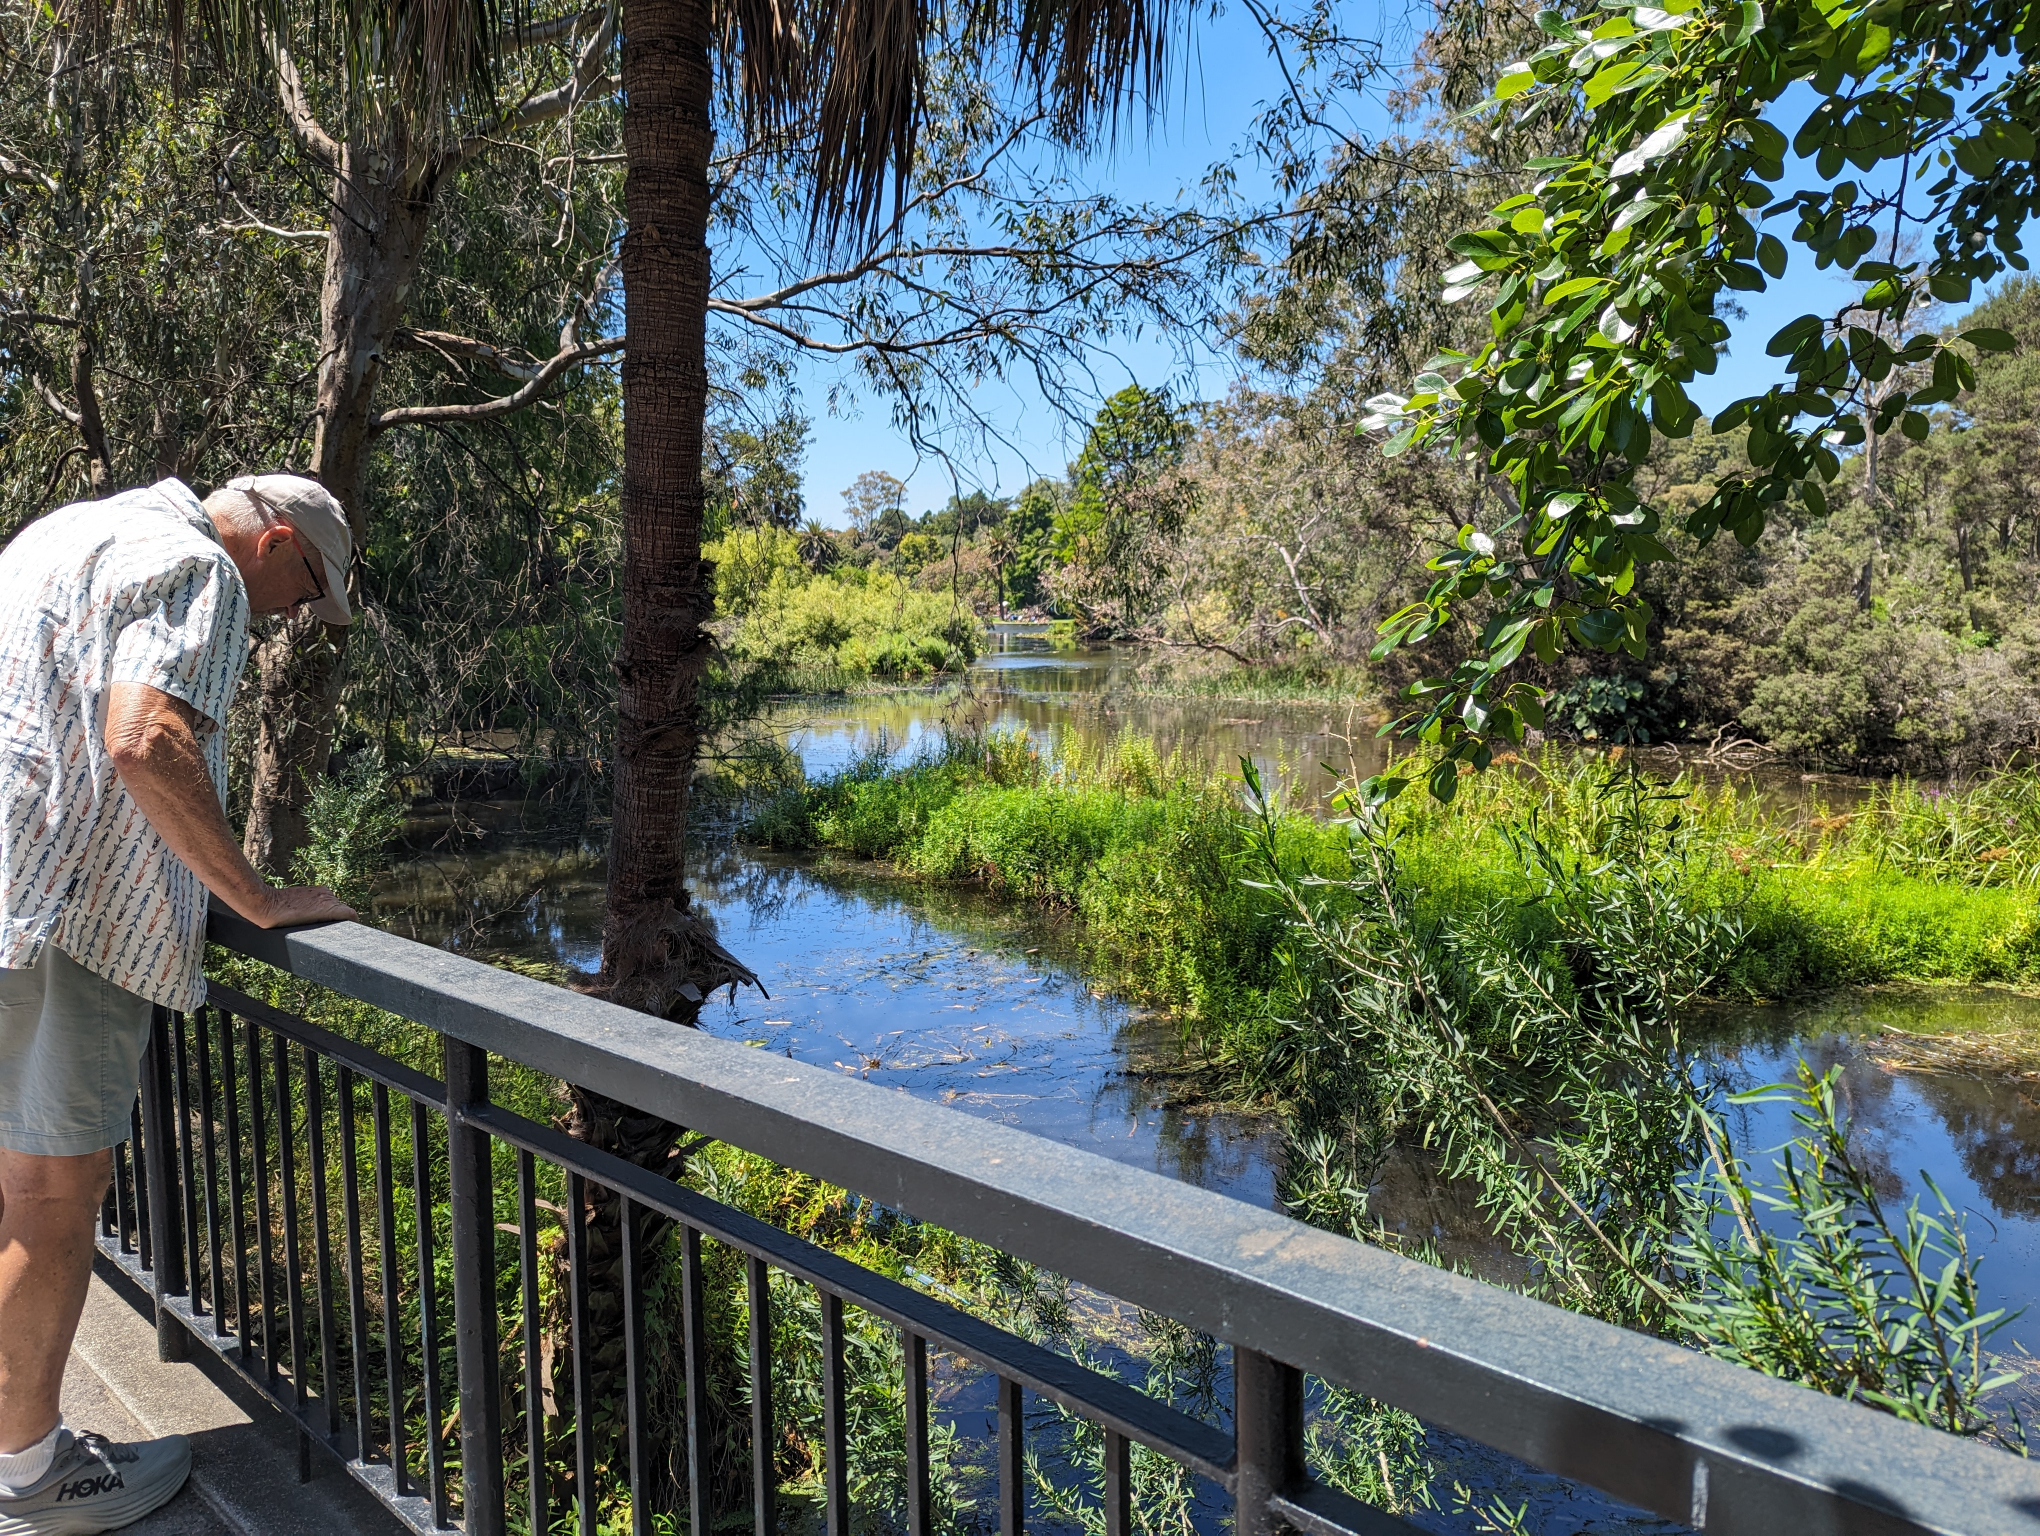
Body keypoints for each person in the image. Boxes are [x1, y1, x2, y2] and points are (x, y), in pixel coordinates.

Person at [0, 474, 359, 1533]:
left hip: (10, 892)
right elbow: (144, 735)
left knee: (13, 1176)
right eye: (302, 591)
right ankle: (29, 1477)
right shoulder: (201, 567)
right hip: (72, 911)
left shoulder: (70, 529)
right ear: (277, 541)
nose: (291, 617)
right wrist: (253, 896)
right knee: (51, 1193)